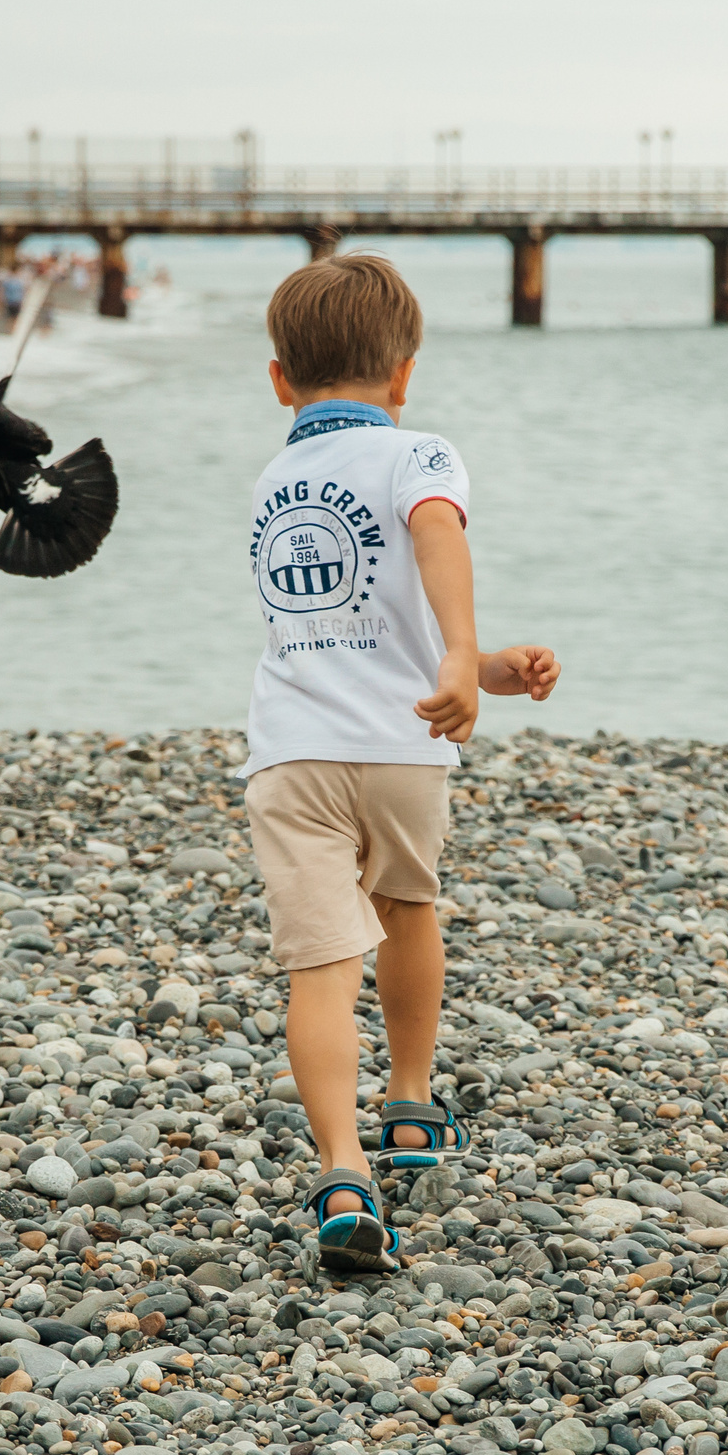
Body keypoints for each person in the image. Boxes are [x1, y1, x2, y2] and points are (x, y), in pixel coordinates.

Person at [238, 252, 561, 1272]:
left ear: (280, 380)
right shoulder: (419, 456)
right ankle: (411, 1103)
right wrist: (467, 660)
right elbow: (433, 545)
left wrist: (486, 666)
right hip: (402, 746)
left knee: (320, 970)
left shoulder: (270, 482)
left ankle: (343, 1169)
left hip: (291, 755)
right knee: (407, 910)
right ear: (404, 375)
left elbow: (345, 623)